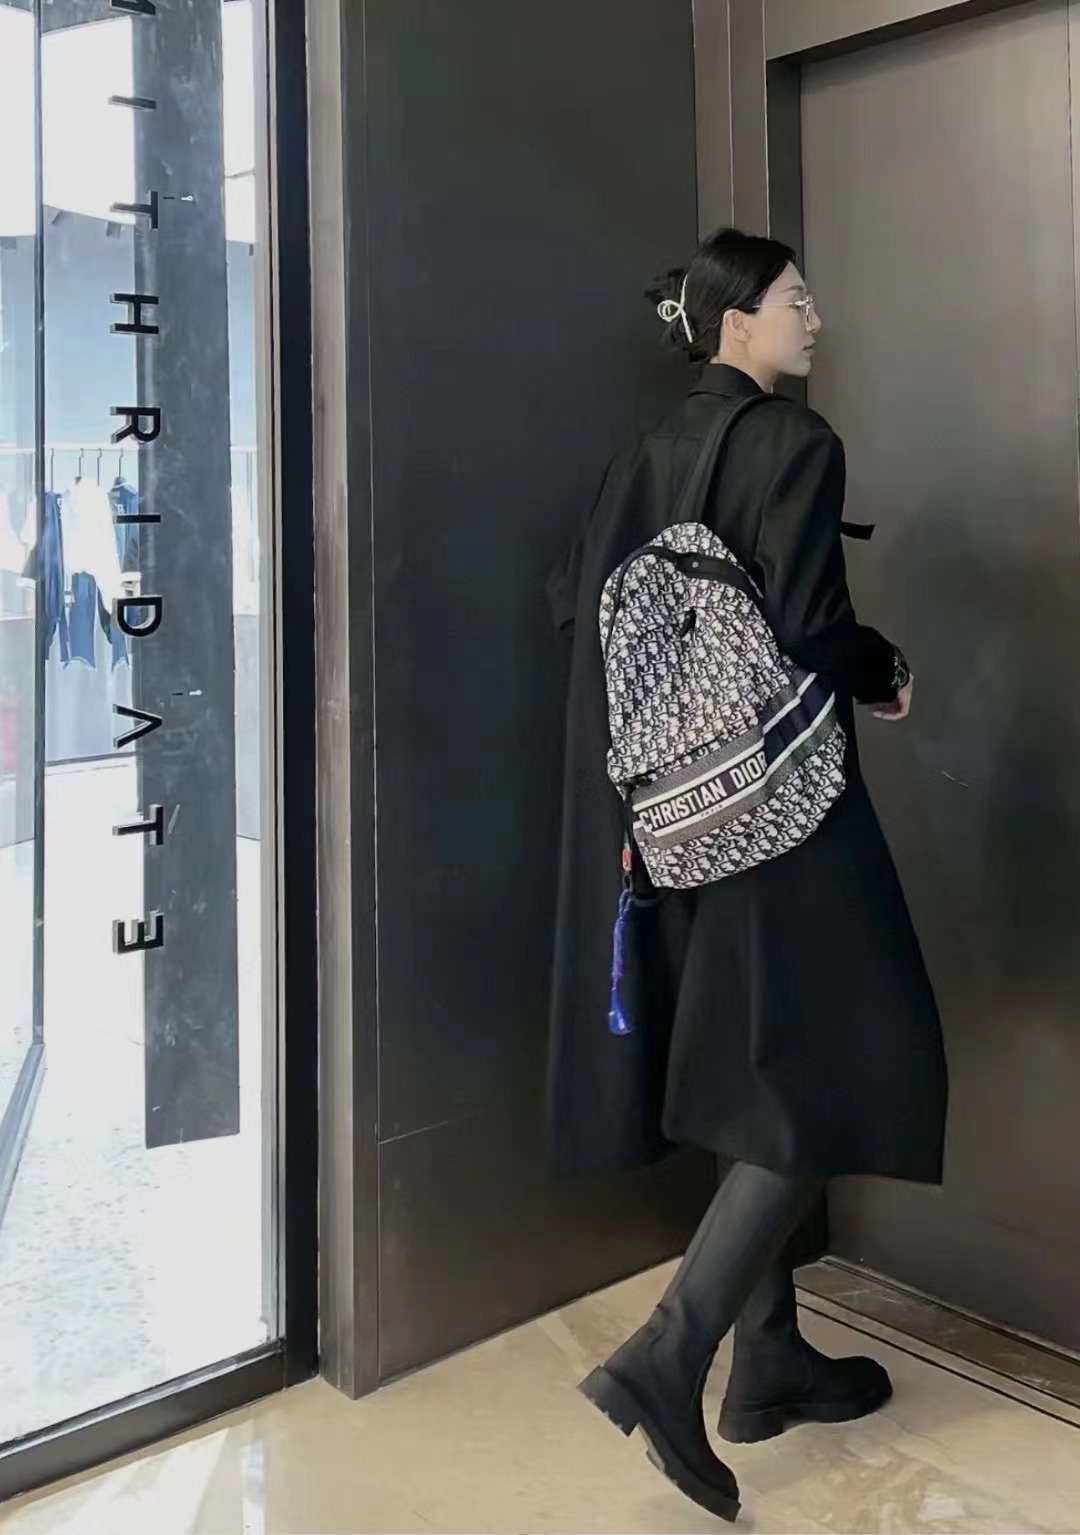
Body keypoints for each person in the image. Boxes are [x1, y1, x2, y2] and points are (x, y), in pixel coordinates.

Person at [546, 228, 949, 1523]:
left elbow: (579, 614)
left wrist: (635, 803)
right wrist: (886, 670)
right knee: (849, 1057)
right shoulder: (797, 444)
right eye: (794, 299)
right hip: (790, 809)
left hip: (676, 819)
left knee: (747, 1067)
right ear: (735, 323)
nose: (813, 317)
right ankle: (669, 1359)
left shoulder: (636, 459)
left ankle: (767, 1358)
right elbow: (814, 624)